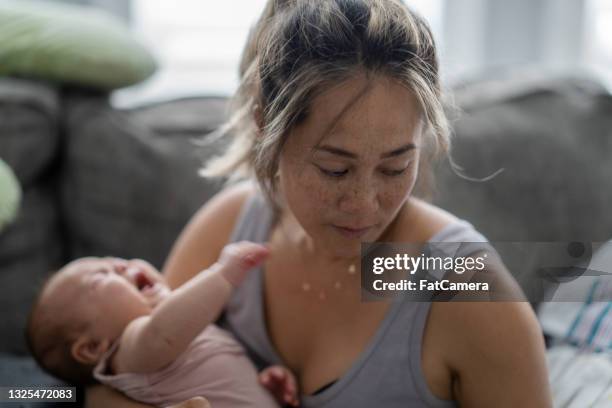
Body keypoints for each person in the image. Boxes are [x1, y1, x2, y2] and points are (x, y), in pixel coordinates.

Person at [87, 0, 553, 406]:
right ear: (266, 124)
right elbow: (110, 382)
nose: (365, 204)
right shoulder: (232, 227)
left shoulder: (466, 285)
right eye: (335, 169)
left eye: (395, 168)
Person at [27, 244, 299, 408]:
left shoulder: (167, 342)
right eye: (101, 275)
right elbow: (161, 333)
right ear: (92, 348)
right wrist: (222, 274)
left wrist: (263, 388)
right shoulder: (127, 352)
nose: (122, 264)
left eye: (114, 260)